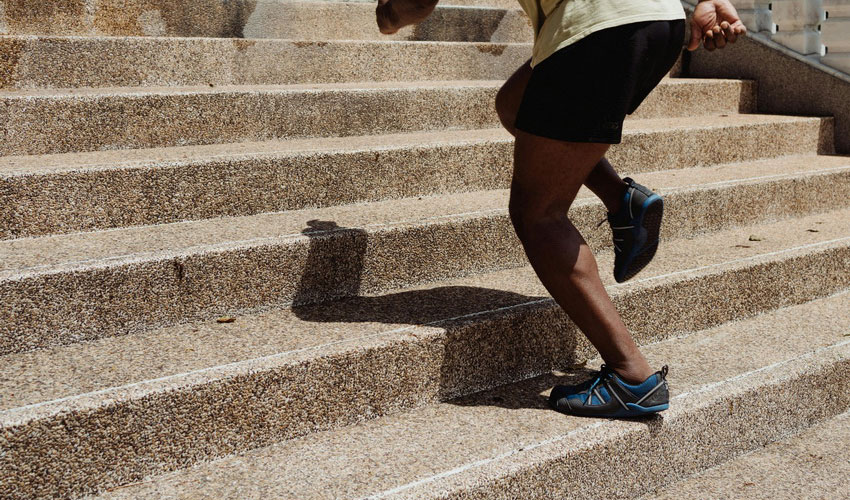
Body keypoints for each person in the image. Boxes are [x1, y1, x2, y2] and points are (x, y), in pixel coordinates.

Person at [376, 0, 746, 417]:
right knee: (515, 104)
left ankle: (633, 377)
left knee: (538, 215)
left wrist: (388, 14)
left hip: (599, 29)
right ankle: (622, 199)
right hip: (657, 18)